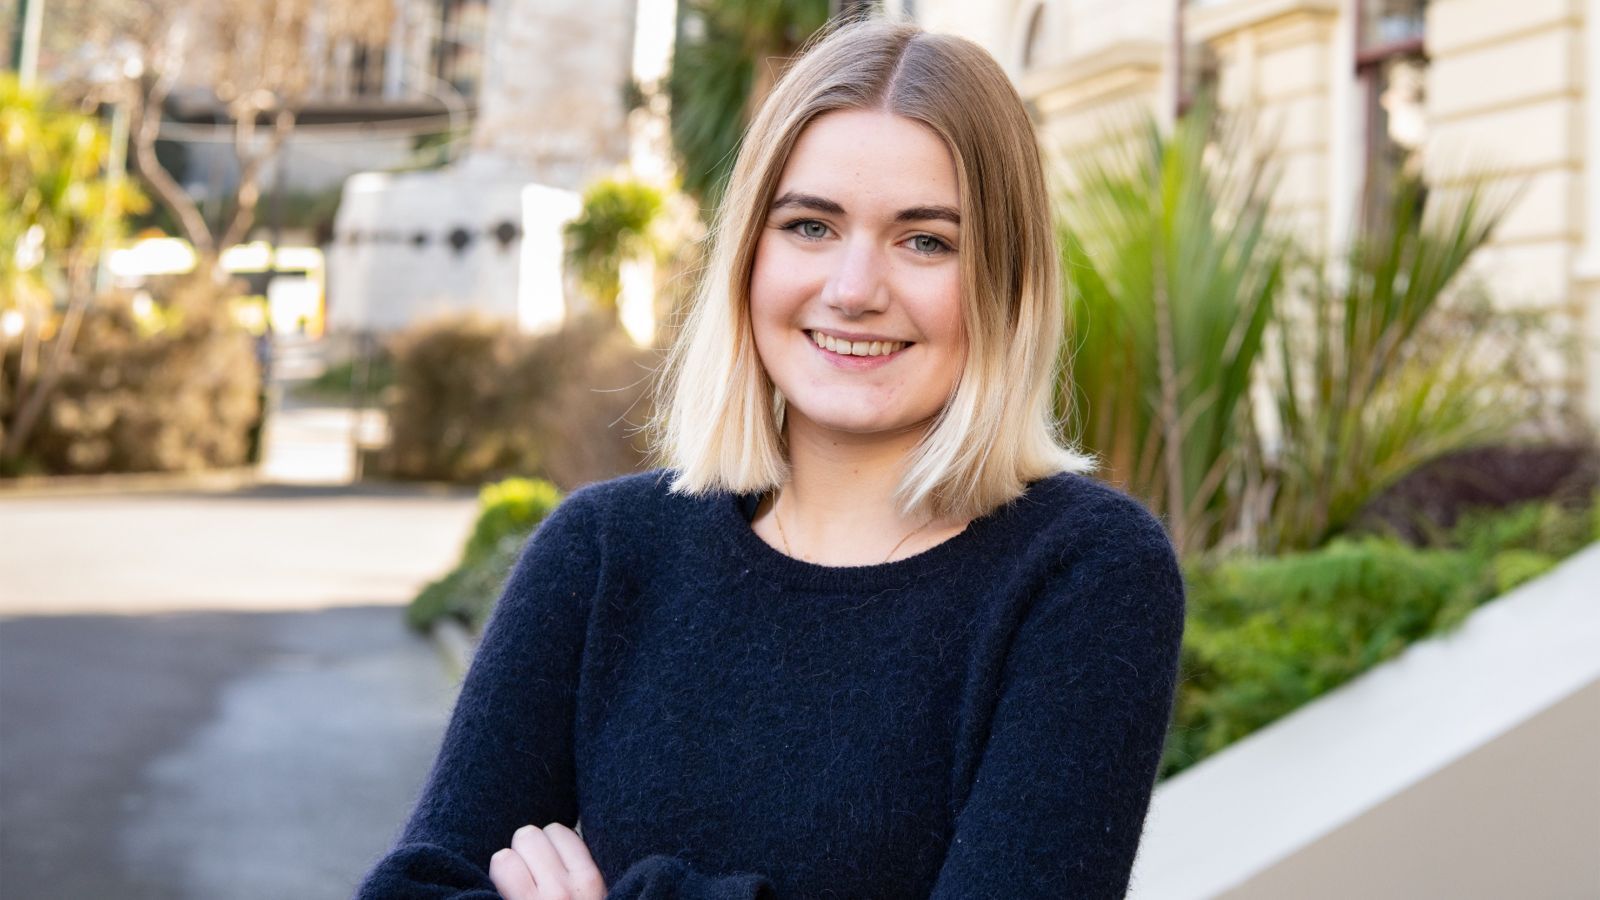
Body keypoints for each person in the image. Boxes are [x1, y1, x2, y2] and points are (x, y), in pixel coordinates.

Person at [355, 18, 1185, 900]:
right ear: (748, 254)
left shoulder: (1083, 575)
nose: (855, 290)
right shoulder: (603, 554)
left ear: (1006, 281)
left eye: (926, 240)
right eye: (811, 227)